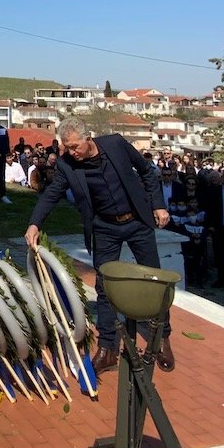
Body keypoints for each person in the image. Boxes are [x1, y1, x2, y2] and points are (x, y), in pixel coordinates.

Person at [23, 117, 173, 375]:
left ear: (88, 138)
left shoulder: (115, 144)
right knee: (104, 286)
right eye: (66, 147)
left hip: (137, 219)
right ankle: (107, 349)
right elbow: (51, 193)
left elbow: (147, 171)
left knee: (154, 280)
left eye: (74, 146)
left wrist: (158, 204)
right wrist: (35, 223)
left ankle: (162, 338)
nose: (71, 152)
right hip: (104, 227)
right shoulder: (67, 165)